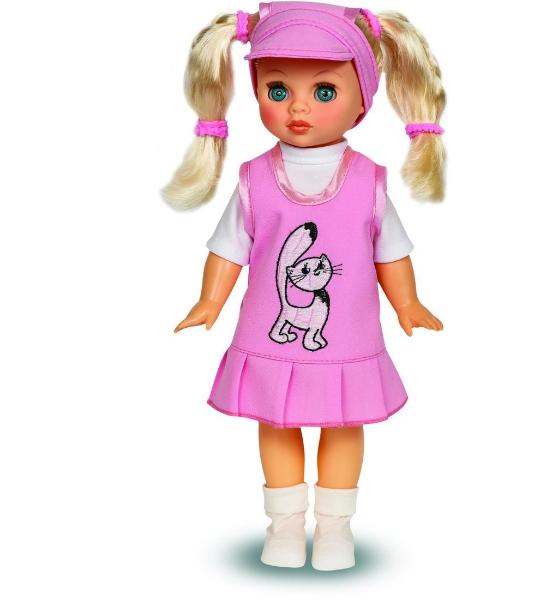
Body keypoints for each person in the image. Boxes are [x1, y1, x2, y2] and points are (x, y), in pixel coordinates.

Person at [163, 1, 446, 571]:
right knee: (277, 422)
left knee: (344, 426)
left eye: (323, 91)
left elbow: (390, 251)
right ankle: (286, 525)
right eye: (277, 89)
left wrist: (408, 302)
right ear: (255, 92)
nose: (297, 107)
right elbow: (230, 247)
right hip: (271, 334)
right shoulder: (254, 179)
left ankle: (336, 529)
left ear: (362, 99)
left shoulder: (368, 180)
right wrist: (210, 299)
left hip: (346, 337)